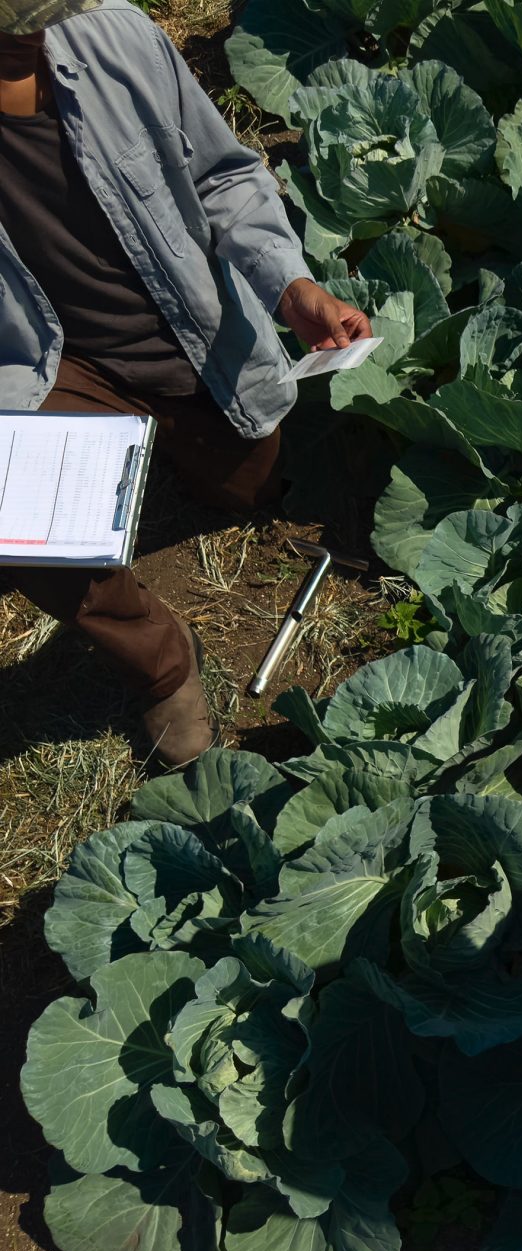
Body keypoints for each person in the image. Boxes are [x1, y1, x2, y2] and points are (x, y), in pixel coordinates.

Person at [0, 0, 369, 767]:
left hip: (189, 338)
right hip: (44, 365)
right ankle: (163, 662)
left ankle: (178, 447)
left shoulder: (118, 40)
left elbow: (223, 175)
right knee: (22, 523)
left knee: (252, 486)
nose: (36, 33)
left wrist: (291, 287)